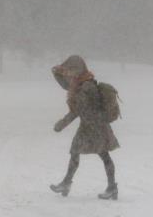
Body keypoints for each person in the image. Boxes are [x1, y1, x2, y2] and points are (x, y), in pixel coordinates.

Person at [49, 55, 119, 200]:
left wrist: (62, 123)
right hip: (89, 126)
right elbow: (66, 85)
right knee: (77, 152)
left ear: (78, 70)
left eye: (71, 69)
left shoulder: (87, 86)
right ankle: (67, 183)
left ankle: (111, 188)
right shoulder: (79, 83)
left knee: (103, 155)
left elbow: (79, 110)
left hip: (96, 127)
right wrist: (57, 72)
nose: (69, 73)